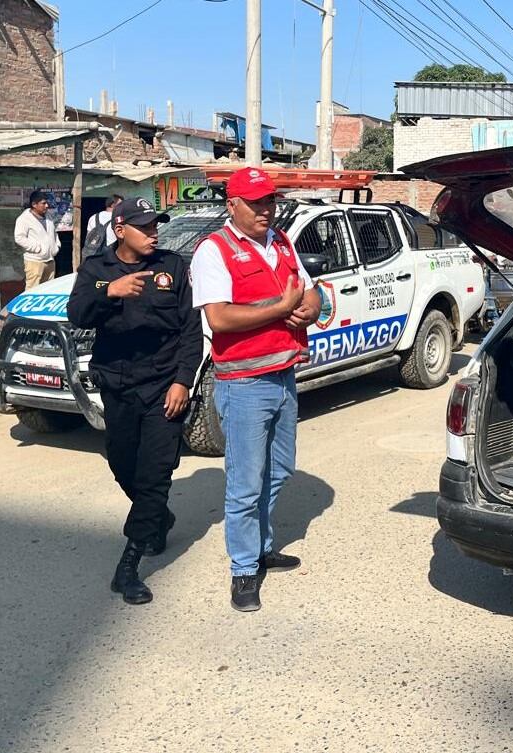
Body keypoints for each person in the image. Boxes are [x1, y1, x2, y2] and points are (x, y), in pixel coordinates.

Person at [190, 167, 321, 612]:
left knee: (280, 470)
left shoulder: (281, 241)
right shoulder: (214, 251)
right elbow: (220, 318)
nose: (267, 209)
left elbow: (310, 289)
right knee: (245, 485)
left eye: (270, 201)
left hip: (284, 373)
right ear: (233, 206)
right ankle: (244, 569)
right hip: (244, 383)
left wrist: (308, 308)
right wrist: (282, 307)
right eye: (256, 203)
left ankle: (262, 546)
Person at [67, 197, 202, 605]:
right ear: (120, 229)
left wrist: (183, 381)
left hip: (163, 387)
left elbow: (191, 331)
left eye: (156, 225)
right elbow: (77, 313)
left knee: (154, 475)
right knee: (122, 463)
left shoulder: (173, 267)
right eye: (144, 227)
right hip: (119, 385)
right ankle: (157, 516)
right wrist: (110, 291)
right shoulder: (96, 269)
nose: (154, 233)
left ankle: (129, 565)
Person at [14, 190, 59, 290]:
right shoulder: (24, 219)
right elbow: (19, 238)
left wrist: (56, 247)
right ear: (34, 204)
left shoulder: (48, 217)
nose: (47, 206)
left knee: (49, 289)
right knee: (32, 290)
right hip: (34, 261)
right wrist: (37, 248)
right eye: (43, 203)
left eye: (47, 203)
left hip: (50, 260)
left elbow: (54, 233)